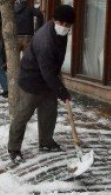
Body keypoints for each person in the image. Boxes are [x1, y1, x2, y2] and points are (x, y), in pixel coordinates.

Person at [7, 5, 75, 162]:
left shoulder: (59, 34)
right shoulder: (45, 40)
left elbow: (52, 68)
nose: (64, 27)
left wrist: (57, 86)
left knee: (49, 112)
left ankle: (46, 141)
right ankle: (14, 148)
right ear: (54, 20)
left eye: (68, 25)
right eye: (61, 23)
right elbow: (47, 72)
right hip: (31, 80)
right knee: (23, 115)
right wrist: (62, 91)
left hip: (48, 80)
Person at [0, 0, 43, 79]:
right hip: (28, 37)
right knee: (28, 60)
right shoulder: (29, 8)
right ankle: (26, 78)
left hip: (15, 37)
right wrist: (38, 29)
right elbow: (40, 14)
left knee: (13, 62)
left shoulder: (12, 9)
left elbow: (1, 20)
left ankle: (13, 78)